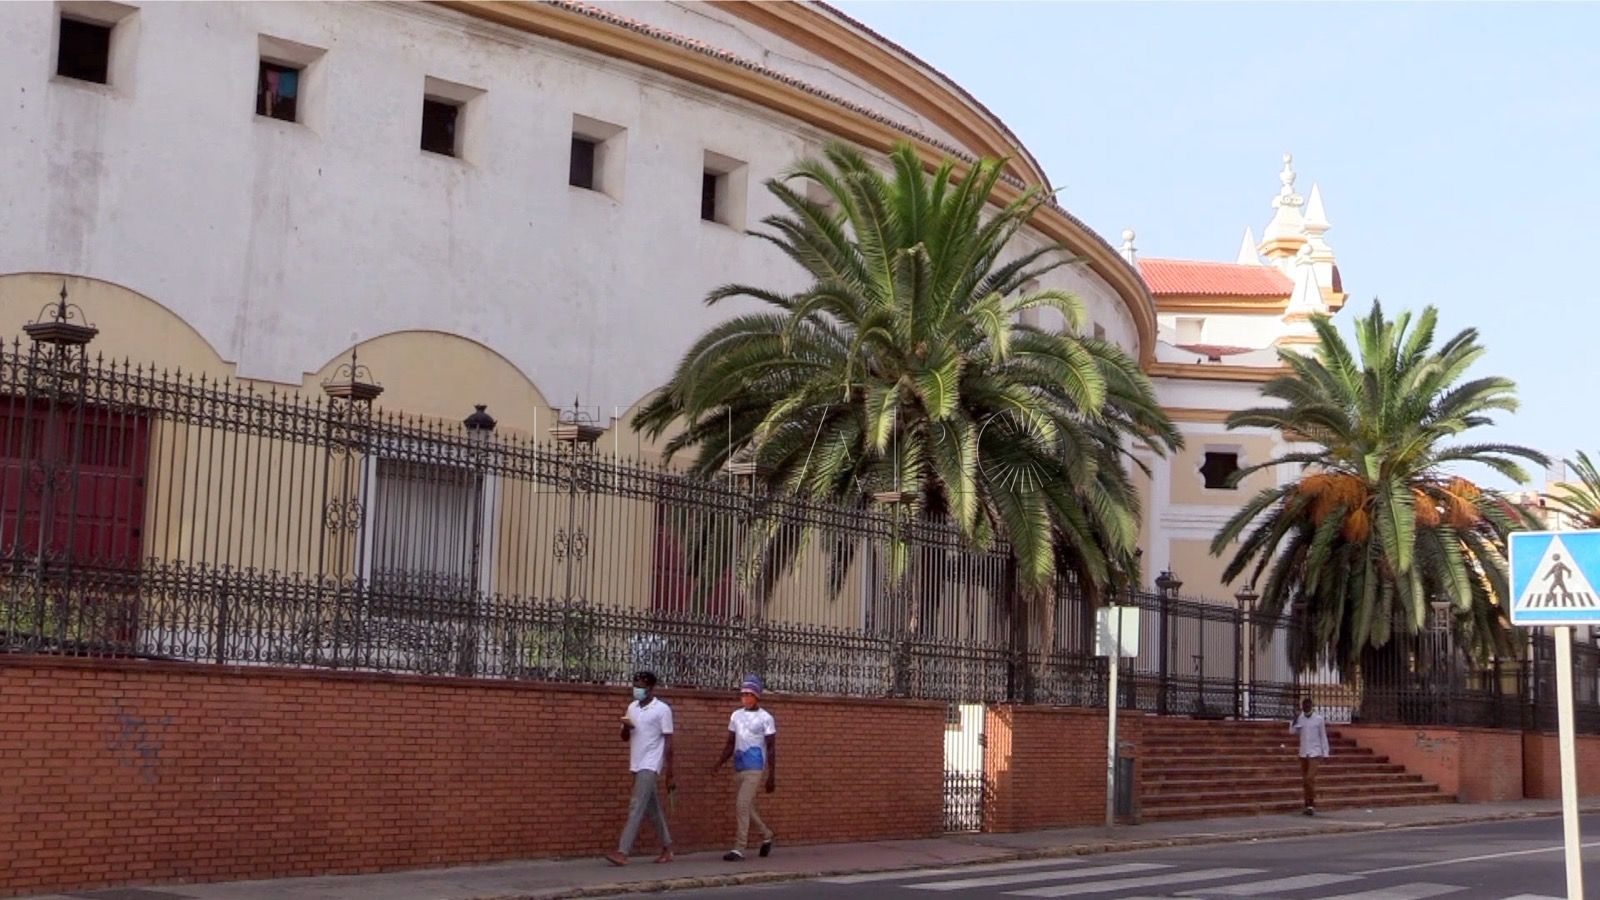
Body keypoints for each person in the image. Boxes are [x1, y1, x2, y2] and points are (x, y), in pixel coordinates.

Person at [606, 671, 674, 866]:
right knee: (652, 809)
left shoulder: (662, 710)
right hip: (636, 763)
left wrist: (670, 772)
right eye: (635, 685)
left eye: (641, 686)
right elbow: (624, 737)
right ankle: (667, 848)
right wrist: (627, 726)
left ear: (651, 688)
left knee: (636, 806)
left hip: (651, 764)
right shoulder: (632, 707)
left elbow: (669, 741)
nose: (637, 689)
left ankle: (622, 851)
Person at [712, 676, 776, 862]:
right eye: (743, 695)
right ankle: (767, 834)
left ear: (757, 696)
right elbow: (730, 742)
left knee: (741, 805)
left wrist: (772, 775)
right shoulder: (736, 715)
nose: (745, 698)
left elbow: (771, 748)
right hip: (739, 767)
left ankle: (739, 848)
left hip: (755, 767)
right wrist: (719, 763)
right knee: (746, 807)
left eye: (749, 694)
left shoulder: (766, 718)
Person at [1291, 696, 1331, 816]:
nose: (1305, 708)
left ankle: (1311, 803)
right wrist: (1294, 719)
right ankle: (1307, 804)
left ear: (1311, 706)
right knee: (1305, 781)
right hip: (1304, 752)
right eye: (1303, 706)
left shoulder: (1318, 719)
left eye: (1307, 706)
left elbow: (1323, 736)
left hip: (1315, 752)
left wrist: (1326, 752)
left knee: (1310, 778)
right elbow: (1292, 732)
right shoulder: (1301, 719)